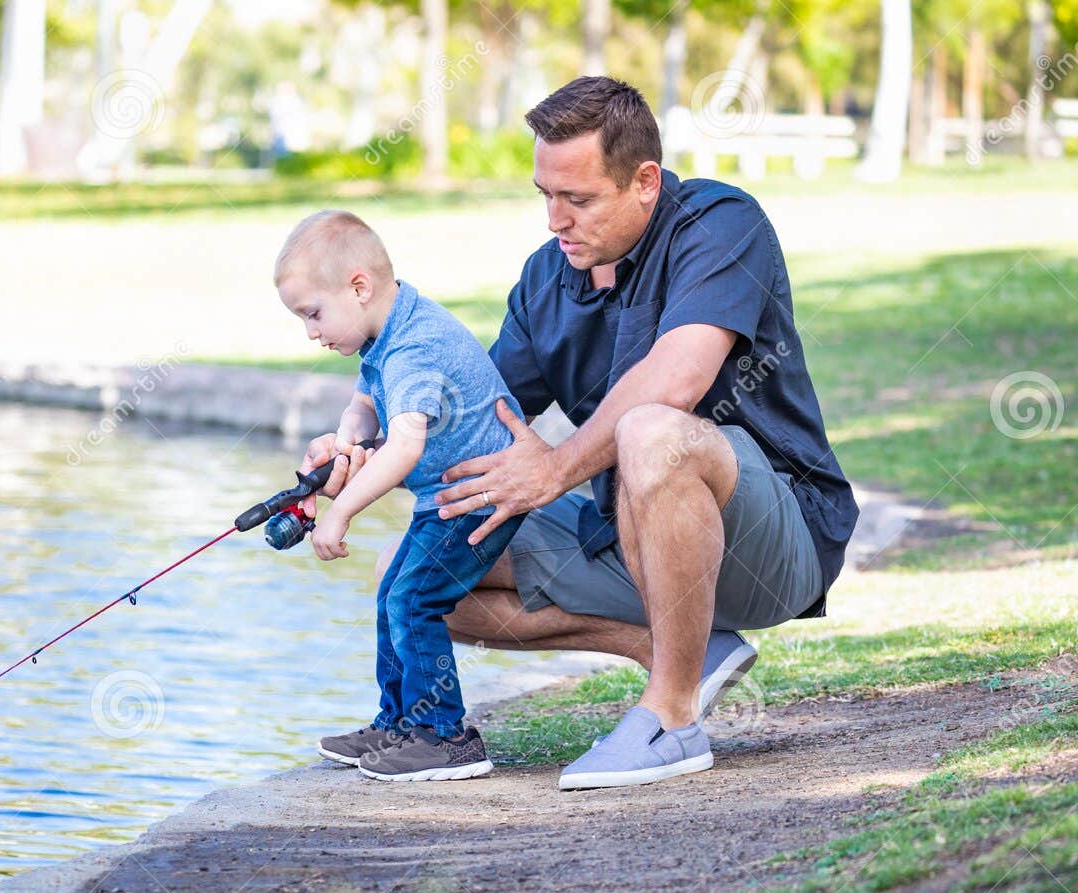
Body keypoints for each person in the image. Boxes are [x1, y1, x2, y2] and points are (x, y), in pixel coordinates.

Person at [302, 77, 860, 791]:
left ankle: (672, 719)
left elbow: (676, 379)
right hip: (626, 534)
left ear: (645, 182)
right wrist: (359, 453)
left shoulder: (721, 224)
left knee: (653, 432)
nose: (555, 220)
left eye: (580, 199)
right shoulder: (546, 280)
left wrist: (558, 467)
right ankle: (679, 648)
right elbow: (475, 419)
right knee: (416, 567)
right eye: (545, 195)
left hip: (775, 540)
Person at [274, 210, 526, 782]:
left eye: (313, 314)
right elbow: (366, 405)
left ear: (358, 287)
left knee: (414, 601)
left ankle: (446, 736)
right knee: (395, 592)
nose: (311, 332)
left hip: (477, 496)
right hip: (446, 498)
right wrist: (343, 445)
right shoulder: (385, 331)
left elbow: (405, 446)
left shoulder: (415, 346)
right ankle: (400, 723)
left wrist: (340, 513)